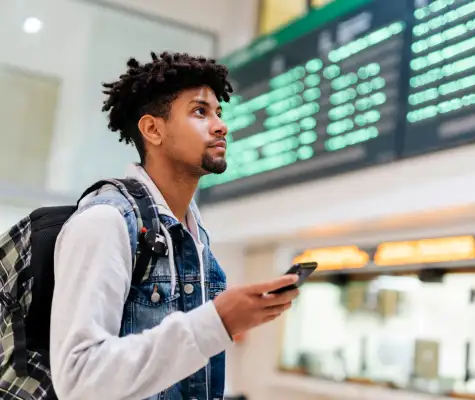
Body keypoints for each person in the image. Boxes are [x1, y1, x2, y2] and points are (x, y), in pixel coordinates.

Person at [49, 52, 300, 400]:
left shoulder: (194, 237)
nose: (220, 125)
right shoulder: (105, 222)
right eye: (200, 111)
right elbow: (78, 380)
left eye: (218, 113)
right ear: (153, 129)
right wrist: (217, 322)